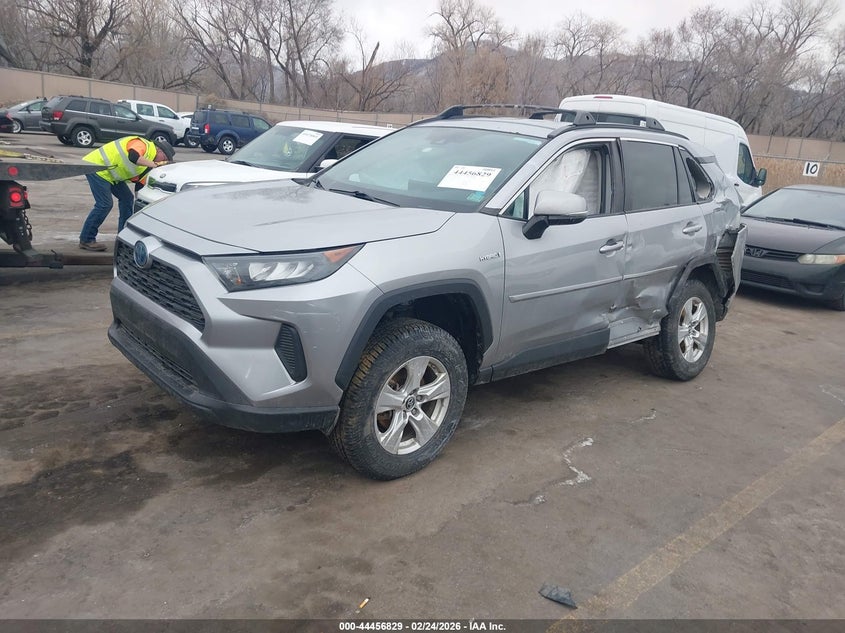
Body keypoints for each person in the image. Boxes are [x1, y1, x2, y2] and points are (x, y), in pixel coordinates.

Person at [78, 136, 174, 251]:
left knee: (128, 199)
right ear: (159, 150)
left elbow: (140, 187)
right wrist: (154, 165)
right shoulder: (144, 145)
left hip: (111, 175)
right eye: (164, 158)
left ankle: (124, 237)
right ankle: (86, 239)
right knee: (104, 204)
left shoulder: (148, 165)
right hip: (97, 167)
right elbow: (133, 156)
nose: (162, 161)